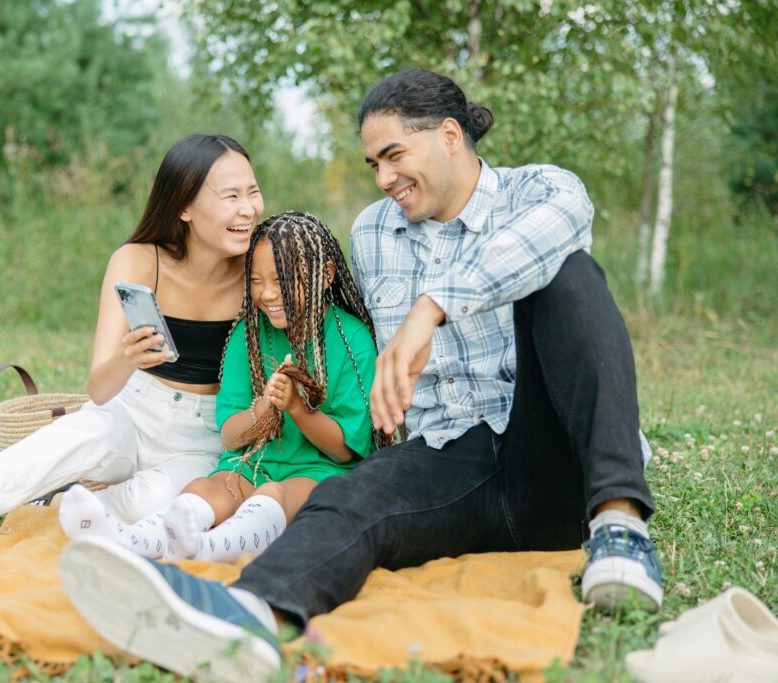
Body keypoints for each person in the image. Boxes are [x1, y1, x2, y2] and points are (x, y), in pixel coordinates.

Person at [57, 68, 664, 683]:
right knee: (344, 494)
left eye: (394, 155)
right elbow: (338, 335)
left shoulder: (541, 191)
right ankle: (248, 618)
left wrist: (432, 308)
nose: (384, 178)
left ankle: (620, 527)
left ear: (449, 135)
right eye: (373, 163)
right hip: (449, 456)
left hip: (551, 453)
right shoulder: (376, 230)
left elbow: (540, 244)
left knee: (572, 276)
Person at [0, 133, 265, 559]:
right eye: (230, 195)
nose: (248, 209)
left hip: (203, 437)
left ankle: (59, 506)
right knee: (67, 440)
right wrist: (126, 357)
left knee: (149, 509)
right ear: (184, 206)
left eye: (253, 192)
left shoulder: (258, 275)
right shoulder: (139, 260)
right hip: (133, 407)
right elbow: (100, 389)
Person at [57, 212, 385, 563]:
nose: (269, 293)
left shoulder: (353, 341)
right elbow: (230, 437)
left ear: (327, 275)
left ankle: (206, 550)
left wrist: (296, 408)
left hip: (320, 473)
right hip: (251, 464)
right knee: (210, 487)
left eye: (283, 279)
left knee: (276, 494)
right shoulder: (248, 337)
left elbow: (344, 452)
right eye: (256, 280)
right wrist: (263, 409)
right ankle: (133, 539)